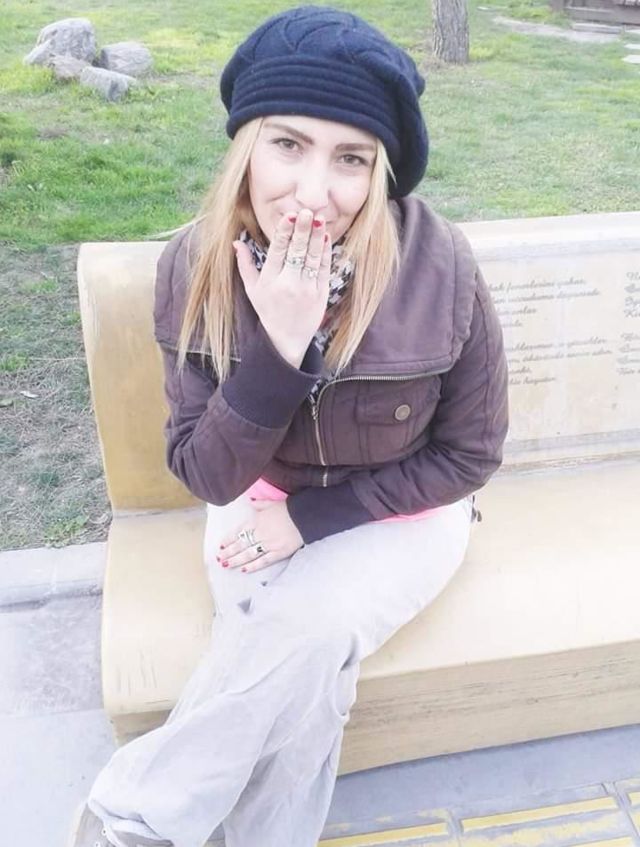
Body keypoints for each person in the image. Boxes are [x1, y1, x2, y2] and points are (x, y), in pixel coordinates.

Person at [68, 5, 509, 847]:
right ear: (246, 146)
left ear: (381, 173)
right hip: (254, 495)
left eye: (351, 159)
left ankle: (132, 820)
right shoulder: (194, 264)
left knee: (307, 628)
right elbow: (206, 474)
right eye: (288, 145)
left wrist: (308, 521)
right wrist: (276, 347)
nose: (313, 193)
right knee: (303, 674)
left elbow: (470, 453)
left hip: (404, 511)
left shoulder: (440, 263)